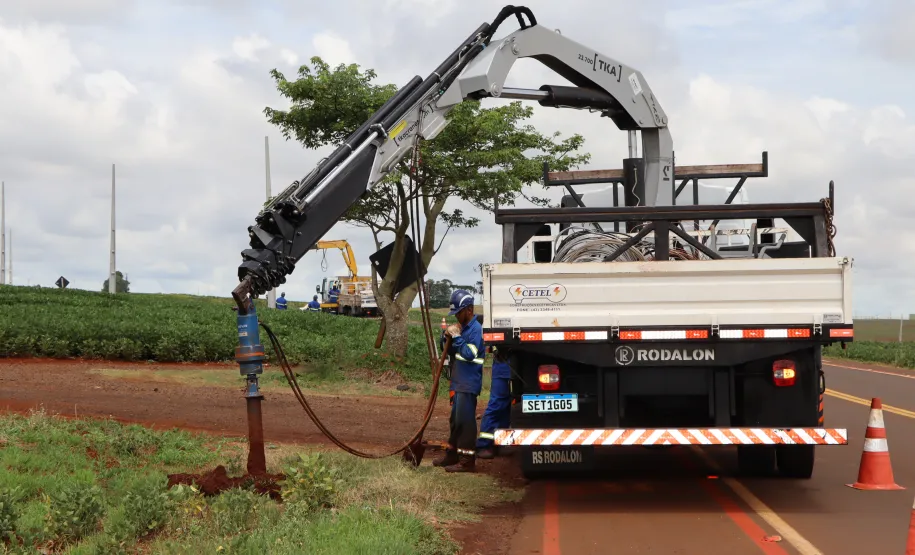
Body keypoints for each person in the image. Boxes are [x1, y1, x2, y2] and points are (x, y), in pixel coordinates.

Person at [433, 289, 485, 473]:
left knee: (465, 422)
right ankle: (452, 454)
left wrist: (457, 337)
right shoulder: (463, 328)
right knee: (455, 421)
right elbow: (450, 350)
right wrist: (446, 337)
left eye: (459, 312)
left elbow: (470, 354)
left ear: (469, 310)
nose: (457, 316)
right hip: (459, 381)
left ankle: (467, 460)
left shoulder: (475, 330)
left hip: (469, 382)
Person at [475, 346, 512, 459]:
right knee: (496, 406)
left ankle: (498, 442)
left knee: (506, 408)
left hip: (509, 366)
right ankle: (484, 445)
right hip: (503, 366)